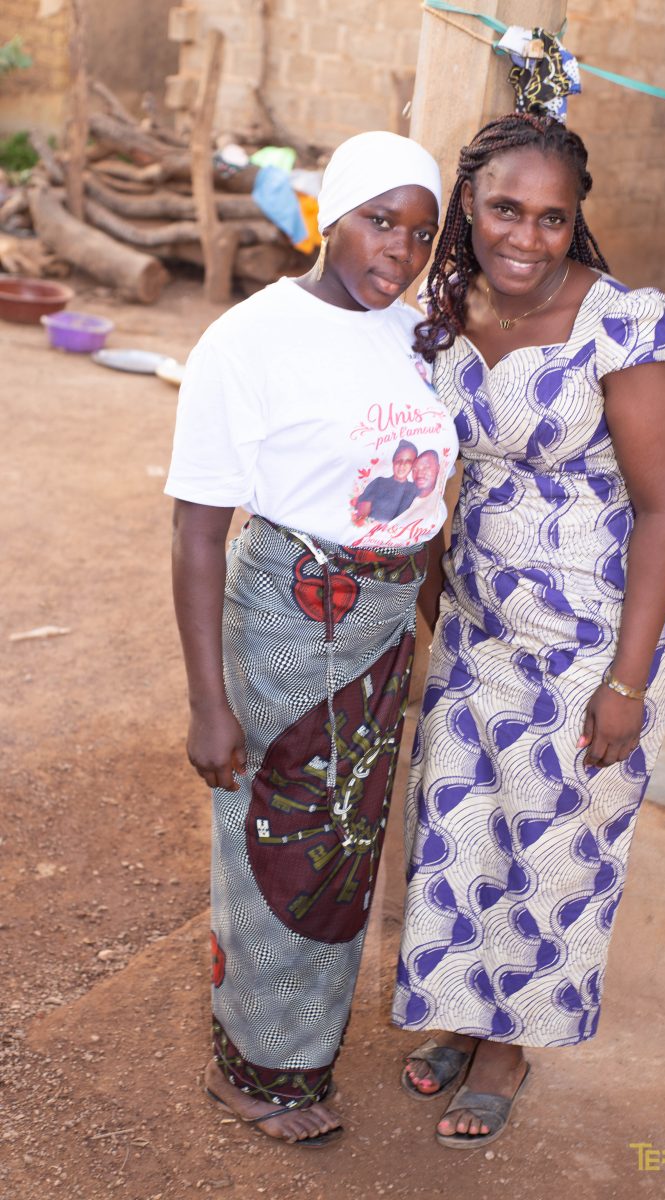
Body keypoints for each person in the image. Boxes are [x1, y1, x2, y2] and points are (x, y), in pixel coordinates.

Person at [392, 114, 665, 1149]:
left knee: (553, 836)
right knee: (460, 821)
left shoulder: (620, 322)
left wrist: (626, 680)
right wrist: (437, 600)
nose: (526, 237)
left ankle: (506, 1047)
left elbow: (664, 507)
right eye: (505, 210)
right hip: (479, 622)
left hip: (596, 635)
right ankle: (460, 1013)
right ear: (467, 209)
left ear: (576, 225)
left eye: (552, 219)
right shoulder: (443, 312)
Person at [165, 130, 458, 1147]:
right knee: (272, 850)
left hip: (378, 638)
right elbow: (199, 529)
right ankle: (250, 1072)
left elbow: (424, 499)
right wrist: (209, 703)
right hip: (287, 629)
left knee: (343, 856)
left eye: (419, 232)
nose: (398, 250)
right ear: (328, 217)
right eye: (379, 222)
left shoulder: (415, 332)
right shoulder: (249, 341)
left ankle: (302, 1058)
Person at [353, 439, 418, 523]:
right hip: (374, 532)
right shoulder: (378, 483)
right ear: (393, 461)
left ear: (413, 465)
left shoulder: (415, 488)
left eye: (408, 461)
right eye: (399, 460)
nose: (402, 465)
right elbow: (361, 515)